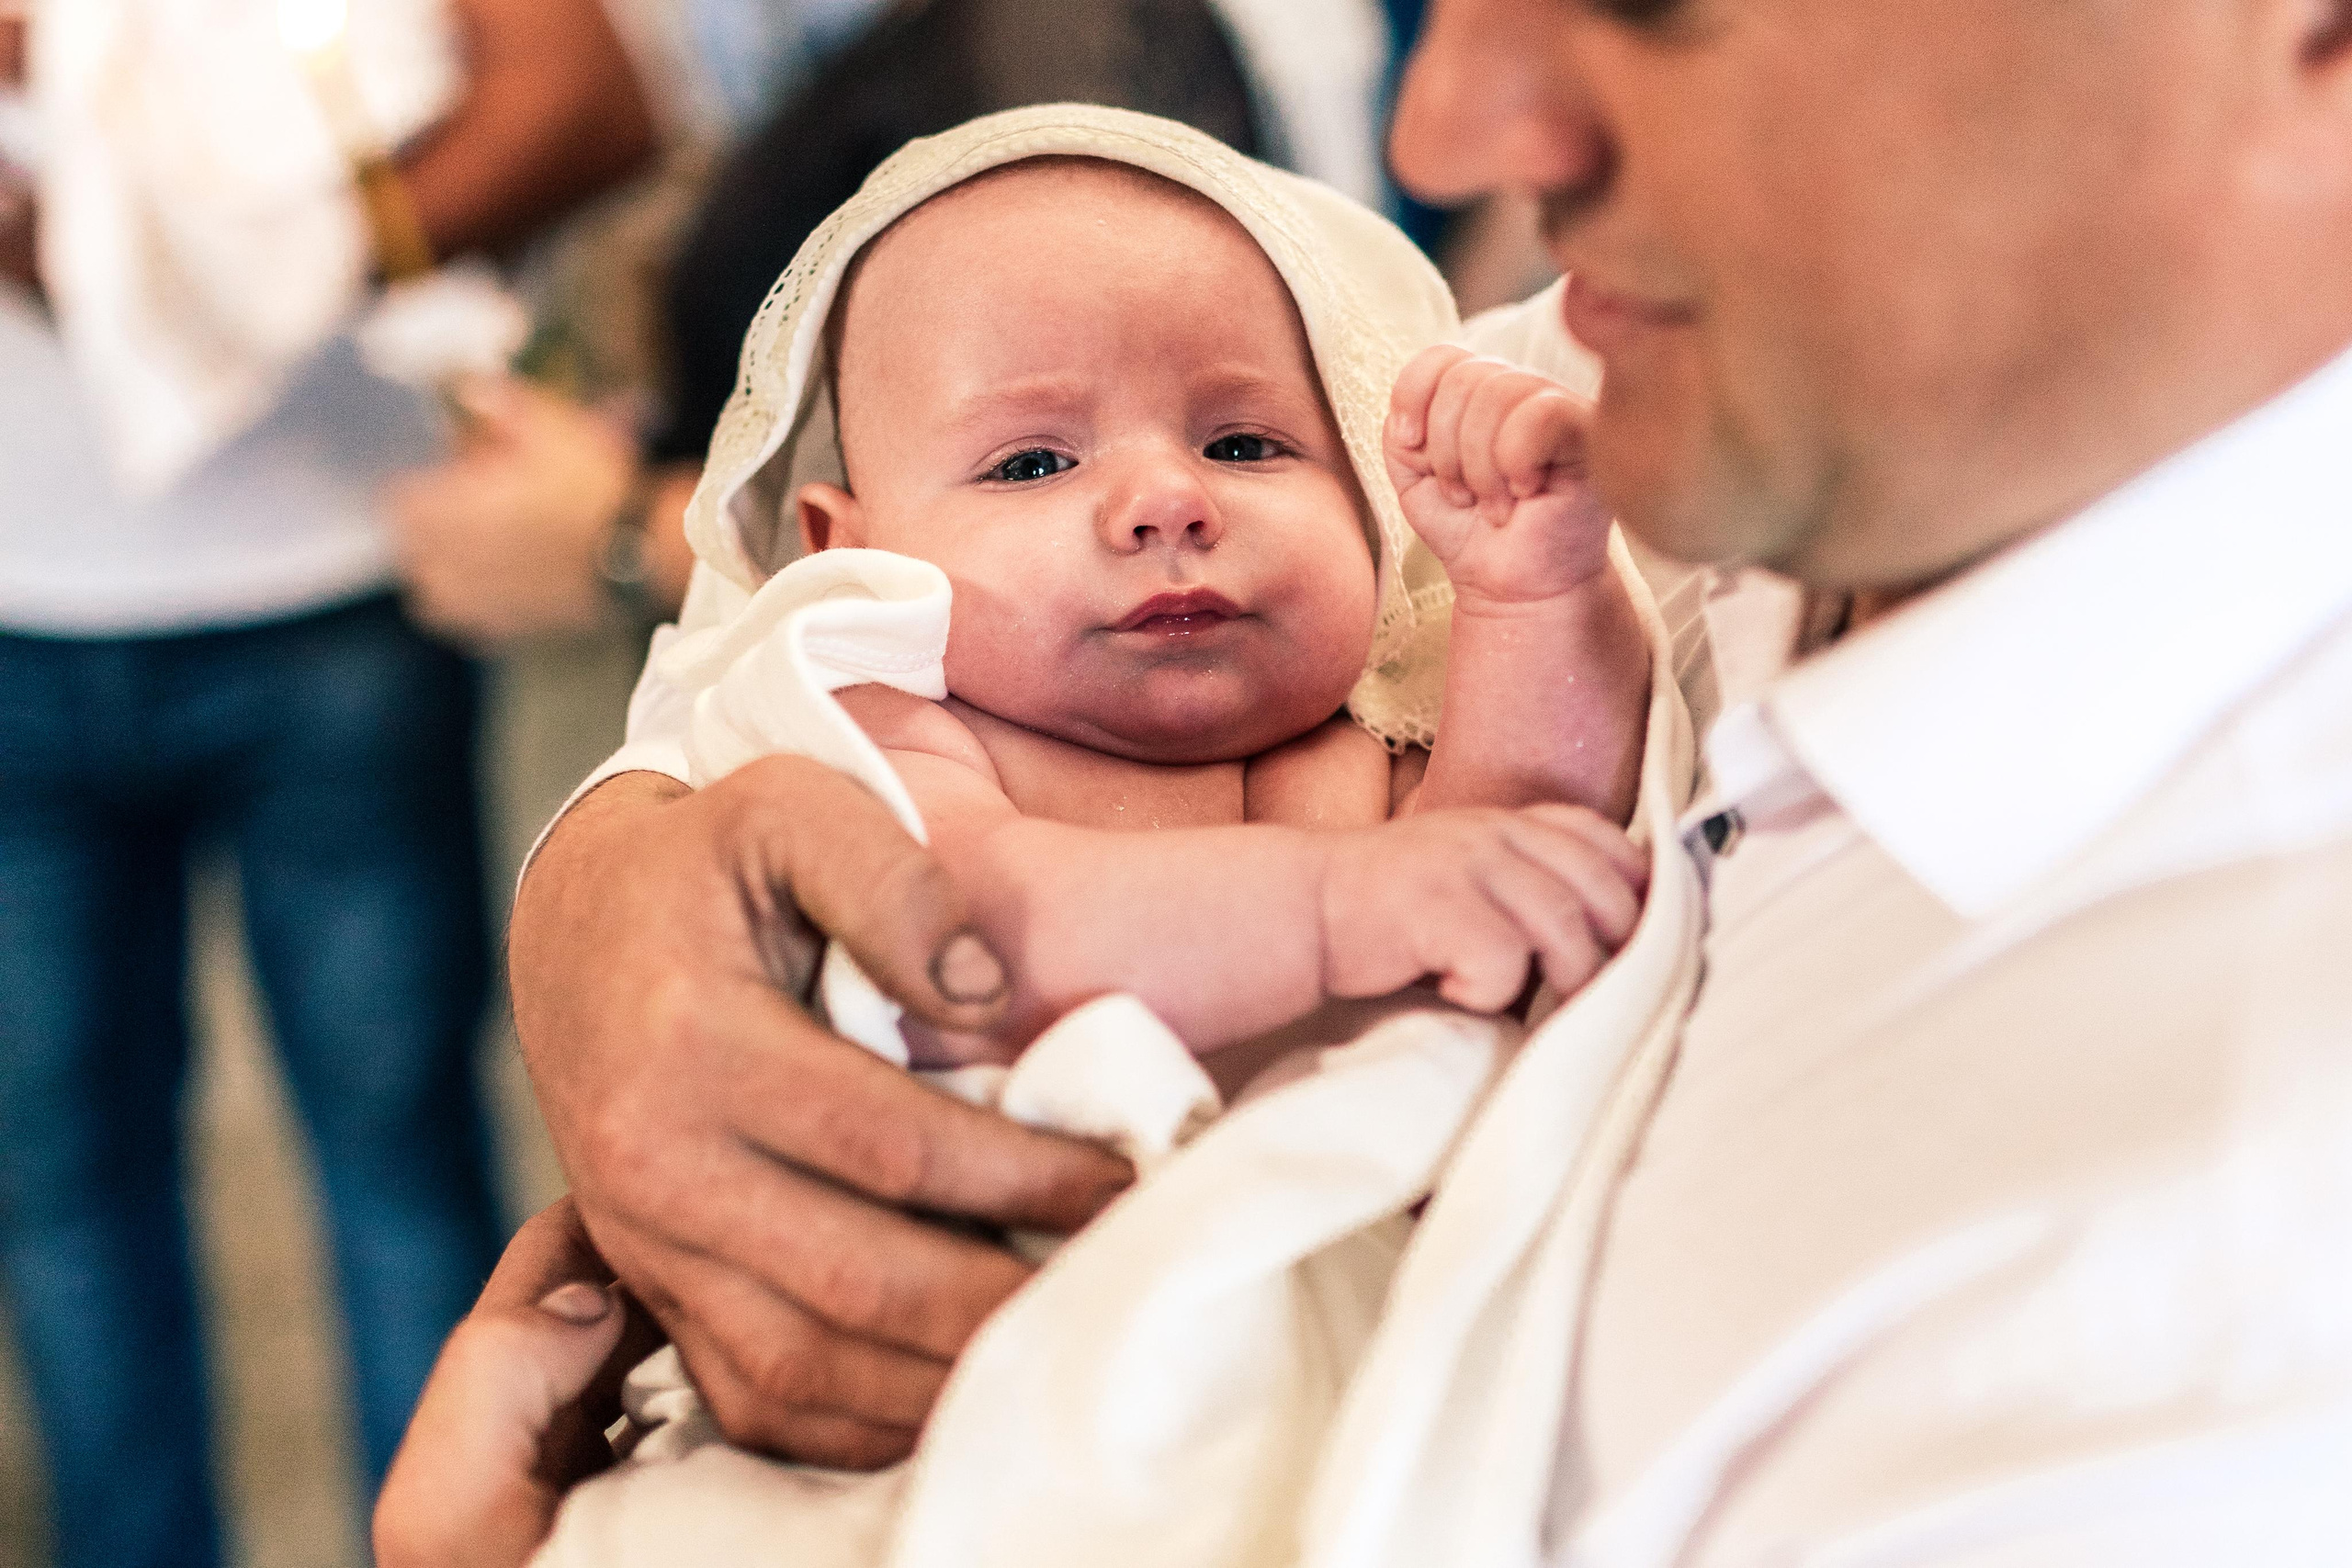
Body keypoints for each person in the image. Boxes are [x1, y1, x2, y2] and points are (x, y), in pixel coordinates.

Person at [385, 0, 2352, 1561]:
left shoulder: (2205, 1301)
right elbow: (855, 792)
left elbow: (1498, 849)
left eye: (1656, 2)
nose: (1439, 138)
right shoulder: (1727, 367)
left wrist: (1516, 603)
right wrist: (628, 899)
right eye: (1035, 467)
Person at [0, 4, 651, 1566]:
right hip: (33, 608)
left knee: (387, 1155)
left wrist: (221, 266)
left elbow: (589, 96)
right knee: (69, 1181)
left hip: (342, 583)